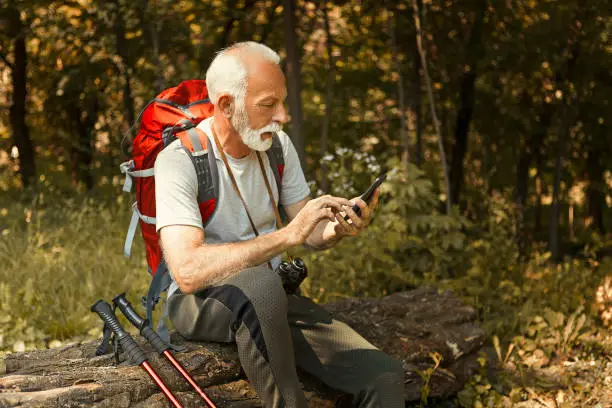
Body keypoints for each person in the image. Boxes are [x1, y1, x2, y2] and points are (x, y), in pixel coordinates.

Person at [154, 41, 404, 407]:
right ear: (227, 105)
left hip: (271, 299)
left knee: (384, 376)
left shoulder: (276, 147)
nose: (283, 115)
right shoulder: (180, 160)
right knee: (262, 283)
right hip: (200, 301)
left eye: (282, 102)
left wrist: (336, 227)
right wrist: (287, 235)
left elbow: (311, 232)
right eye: (268, 105)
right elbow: (188, 272)